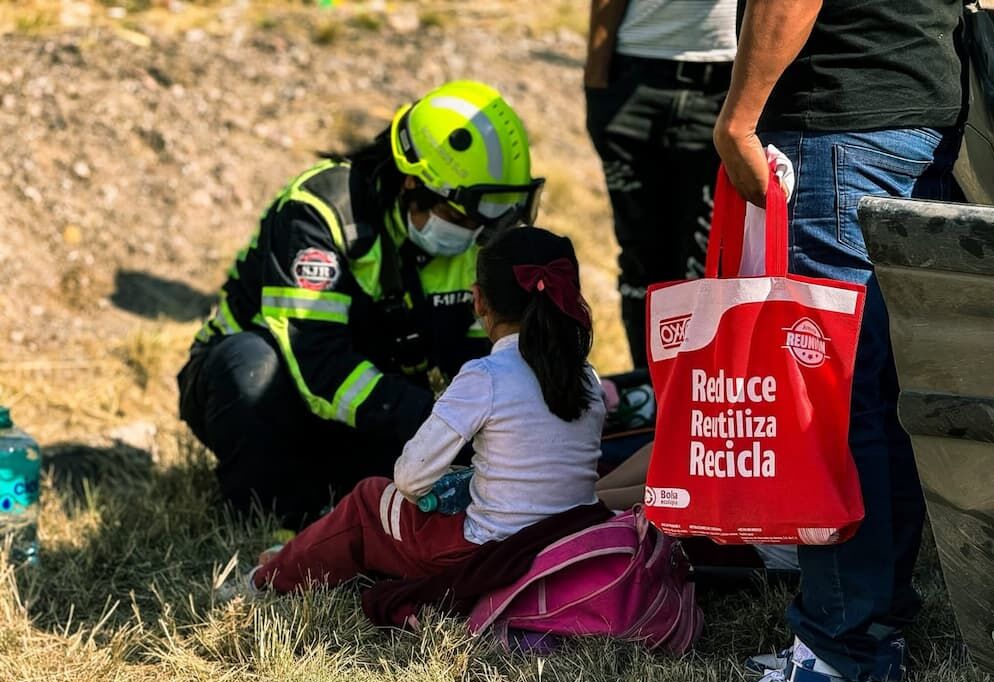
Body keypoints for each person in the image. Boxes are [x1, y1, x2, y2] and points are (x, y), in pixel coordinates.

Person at [690, 0, 966, 682]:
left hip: (840, 124)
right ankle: (867, 642)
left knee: (833, 409)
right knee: (874, 399)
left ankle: (832, 660)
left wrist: (739, 118)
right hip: (916, 117)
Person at [177, 81, 545, 526]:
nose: (473, 232)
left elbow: (481, 357)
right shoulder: (320, 212)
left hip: (373, 399)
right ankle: (274, 520)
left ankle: (342, 496)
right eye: (461, 217)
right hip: (272, 389)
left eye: (488, 218)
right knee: (250, 368)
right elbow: (317, 362)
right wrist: (432, 420)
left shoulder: (476, 237)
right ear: (412, 182)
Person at [243, 227, 606, 594]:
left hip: (486, 554)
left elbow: (410, 478)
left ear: (478, 300)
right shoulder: (588, 378)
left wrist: (443, 493)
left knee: (371, 501)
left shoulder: (487, 376)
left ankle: (268, 579)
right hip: (565, 542)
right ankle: (297, 555)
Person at [585, 0, 737, 365]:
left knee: (707, 264)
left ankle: (700, 398)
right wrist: (596, 82)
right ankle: (651, 392)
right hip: (634, 72)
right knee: (642, 262)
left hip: (727, 80)